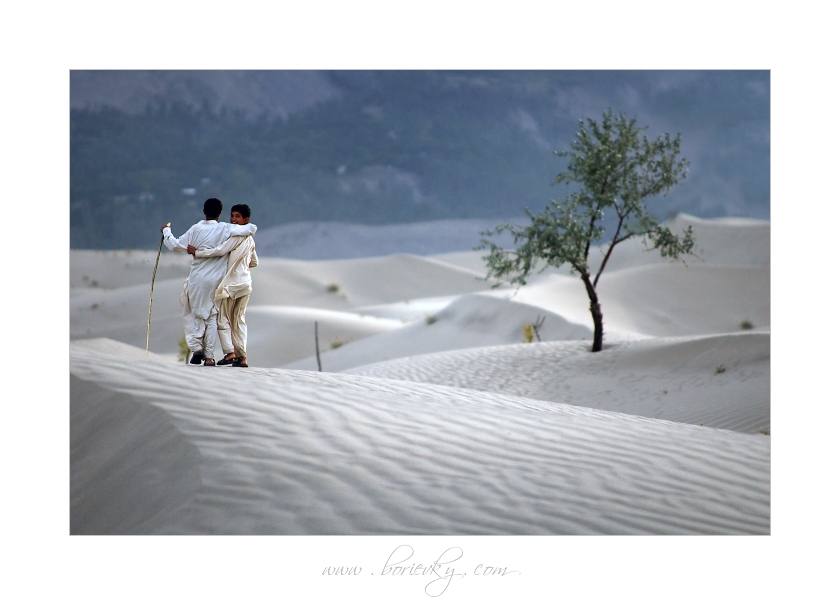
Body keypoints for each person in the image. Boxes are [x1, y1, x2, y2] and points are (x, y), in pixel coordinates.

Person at [160, 198, 257, 366]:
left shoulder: (196, 229)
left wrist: (166, 232)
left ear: (204, 212)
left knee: (195, 313)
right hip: (224, 282)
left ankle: (199, 349)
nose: (233, 219)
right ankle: (212, 357)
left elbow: (175, 246)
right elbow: (251, 231)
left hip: (203, 280)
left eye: (236, 216)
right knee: (215, 316)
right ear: (220, 214)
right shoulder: (228, 229)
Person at [187, 203, 258, 368]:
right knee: (239, 321)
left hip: (231, 286)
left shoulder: (235, 237)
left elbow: (219, 251)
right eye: (232, 216)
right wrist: (241, 265)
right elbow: (254, 262)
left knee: (222, 319)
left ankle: (229, 352)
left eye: (237, 217)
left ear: (245, 220)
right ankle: (242, 358)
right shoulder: (250, 239)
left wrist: (198, 252)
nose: (233, 219)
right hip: (245, 285)